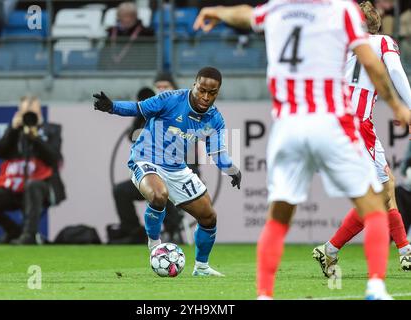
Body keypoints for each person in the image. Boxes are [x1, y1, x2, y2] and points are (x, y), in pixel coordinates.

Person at [194, 0, 411, 299]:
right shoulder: (340, 11)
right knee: (376, 206)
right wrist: (399, 106)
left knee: (279, 215)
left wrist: (217, 11)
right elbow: (372, 63)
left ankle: (265, 294)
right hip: (331, 122)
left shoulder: (278, 9)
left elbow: (245, 15)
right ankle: (375, 287)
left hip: (288, 127)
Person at [94, 66, 242, 276]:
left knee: (208, 217)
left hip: (177, 169)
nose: (205, 96)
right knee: (158, 194)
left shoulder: (214, 120)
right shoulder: (171, 99)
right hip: (145, 160)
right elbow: (138, 108)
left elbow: (218, 153)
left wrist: (233, 170)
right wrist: (111, 107)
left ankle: (201, 267)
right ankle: (155, 245)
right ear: (194, 85)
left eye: (212, 93)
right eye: (202, 90)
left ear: (217, 92)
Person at [311, 1, 411, 276]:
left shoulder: (338, 45)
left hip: (341, 122)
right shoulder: (382, 42)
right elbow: (395, 72)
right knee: (380, 192)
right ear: (376, 23)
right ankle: (404, 251)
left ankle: (330, 249)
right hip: (354, 123)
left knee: (382, 190)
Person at [109, 73, 191, 244]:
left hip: (177, 174)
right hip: (150, 173)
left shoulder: (184, 111)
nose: (161, 90)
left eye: (165, 87)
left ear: (174, 89)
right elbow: (133, 136)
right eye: (158, 87)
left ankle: (173, 232)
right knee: (121, 191)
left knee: (164, 187)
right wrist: (145, 111)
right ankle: (135, 232)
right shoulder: (152, 111)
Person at [0, 96, 66, 244]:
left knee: (33, 186)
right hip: (15, 187)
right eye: (26, 112)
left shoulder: (52, 129)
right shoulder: (15, 131)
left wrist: (36, 138)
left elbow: (54, 158)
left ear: (40, 111)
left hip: (43, 186)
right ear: (20, 112)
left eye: (33, 112)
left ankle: (29, 236)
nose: (29, 115)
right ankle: (14, 231)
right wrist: (13, 130)